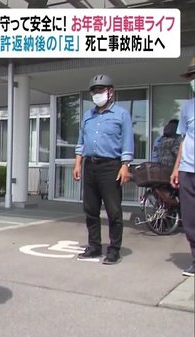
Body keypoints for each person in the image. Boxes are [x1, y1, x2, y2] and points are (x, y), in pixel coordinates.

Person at [73, 74, 134, 265]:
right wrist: (78, 163)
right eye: (94, 91)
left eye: (100, 90)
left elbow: (127, 142)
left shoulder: (121, 114)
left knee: (113, 211)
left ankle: (114, 250)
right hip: (90, 166)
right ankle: (94, 247)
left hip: (111, 167)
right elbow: (81, 142)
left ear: (110, 92)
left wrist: (125, 166)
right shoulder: (88, 116)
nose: (97, 94)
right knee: (90, 209)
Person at [170, 58, 195, 277]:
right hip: (188, 170)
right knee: (190, 218)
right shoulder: (188, 107)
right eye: (192, 78)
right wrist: (176, 168)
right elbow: (183, 140)